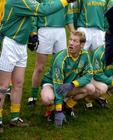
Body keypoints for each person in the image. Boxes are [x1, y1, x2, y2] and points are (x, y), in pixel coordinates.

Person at [0, 0, 75, 133]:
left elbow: (27, 20)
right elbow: (42, 10)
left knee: (18, 83)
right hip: (10, 44)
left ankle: (15, 117)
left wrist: (32, 34)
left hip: (21, 45)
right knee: (3, 86)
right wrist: (65, 1)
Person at [40, 31, 96, 127]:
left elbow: (89, 75)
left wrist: (72, 84)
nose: (71, 43)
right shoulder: (60, 59)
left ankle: (67, 107)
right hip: (52, 84)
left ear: (82, 45)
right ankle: (51, 110)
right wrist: (58, 110)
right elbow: (58, 85)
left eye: (75, 41)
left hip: (67, 85)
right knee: (47, 99)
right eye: (70, 40)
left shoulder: (85, 55)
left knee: (90, 89)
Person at [28, 1, 76, 107]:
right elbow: (35, 14)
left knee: (61, 66)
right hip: (44, 30)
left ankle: (59, 95)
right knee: (40, 67)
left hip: (60, 32)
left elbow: (69, 16)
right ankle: (33, 95)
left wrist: (73, 31)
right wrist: (34, 32)